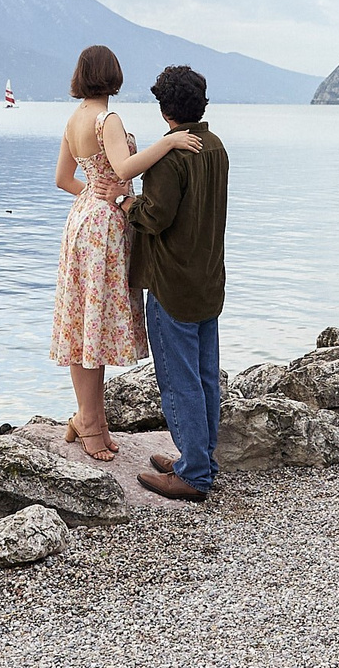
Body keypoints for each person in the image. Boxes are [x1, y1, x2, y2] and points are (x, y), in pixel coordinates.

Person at [50, 44, 199, 462]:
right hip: (103, 230)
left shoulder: (75, 118)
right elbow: (123, 170)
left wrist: (94, 197)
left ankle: (89, 419)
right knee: (92, 326)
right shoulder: (106, 118)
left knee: (84, 323)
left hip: (81, 222)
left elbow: (63, 179)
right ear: (112, 75)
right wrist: (168, 145)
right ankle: (91, 423)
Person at [123, 64, 227, 501]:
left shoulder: (169, 159)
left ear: (166, 112)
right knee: (204, 376)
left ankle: (193, 475)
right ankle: (200, 458)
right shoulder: (215, 147)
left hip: (172, 285)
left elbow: (157, 216)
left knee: (178, 379)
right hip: (207, 280)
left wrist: (129, 203)